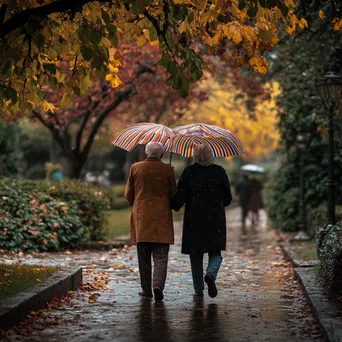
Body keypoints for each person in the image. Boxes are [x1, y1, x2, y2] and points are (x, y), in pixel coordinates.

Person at [172, 144, 232, 298]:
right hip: (215, 219)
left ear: (195, 155)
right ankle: (211, 273)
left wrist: (173, 203)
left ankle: (199, 288)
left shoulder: (189, 172)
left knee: (195, 254)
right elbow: (228, 198)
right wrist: (217, 204)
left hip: (194, 219)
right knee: (215, 251)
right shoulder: (219, 171)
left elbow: (180, 198)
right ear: (211, 154)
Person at [125, 142, 176, 301]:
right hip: (162, 218)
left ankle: (146, 289)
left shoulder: (135, 168)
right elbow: (174, 195)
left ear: (147, 152)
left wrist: (137, 204)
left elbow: (128, 194)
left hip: (142, 218)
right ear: (161, 154)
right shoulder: (168, 169)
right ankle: (157, 285)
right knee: (161, 256)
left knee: (143, 255)